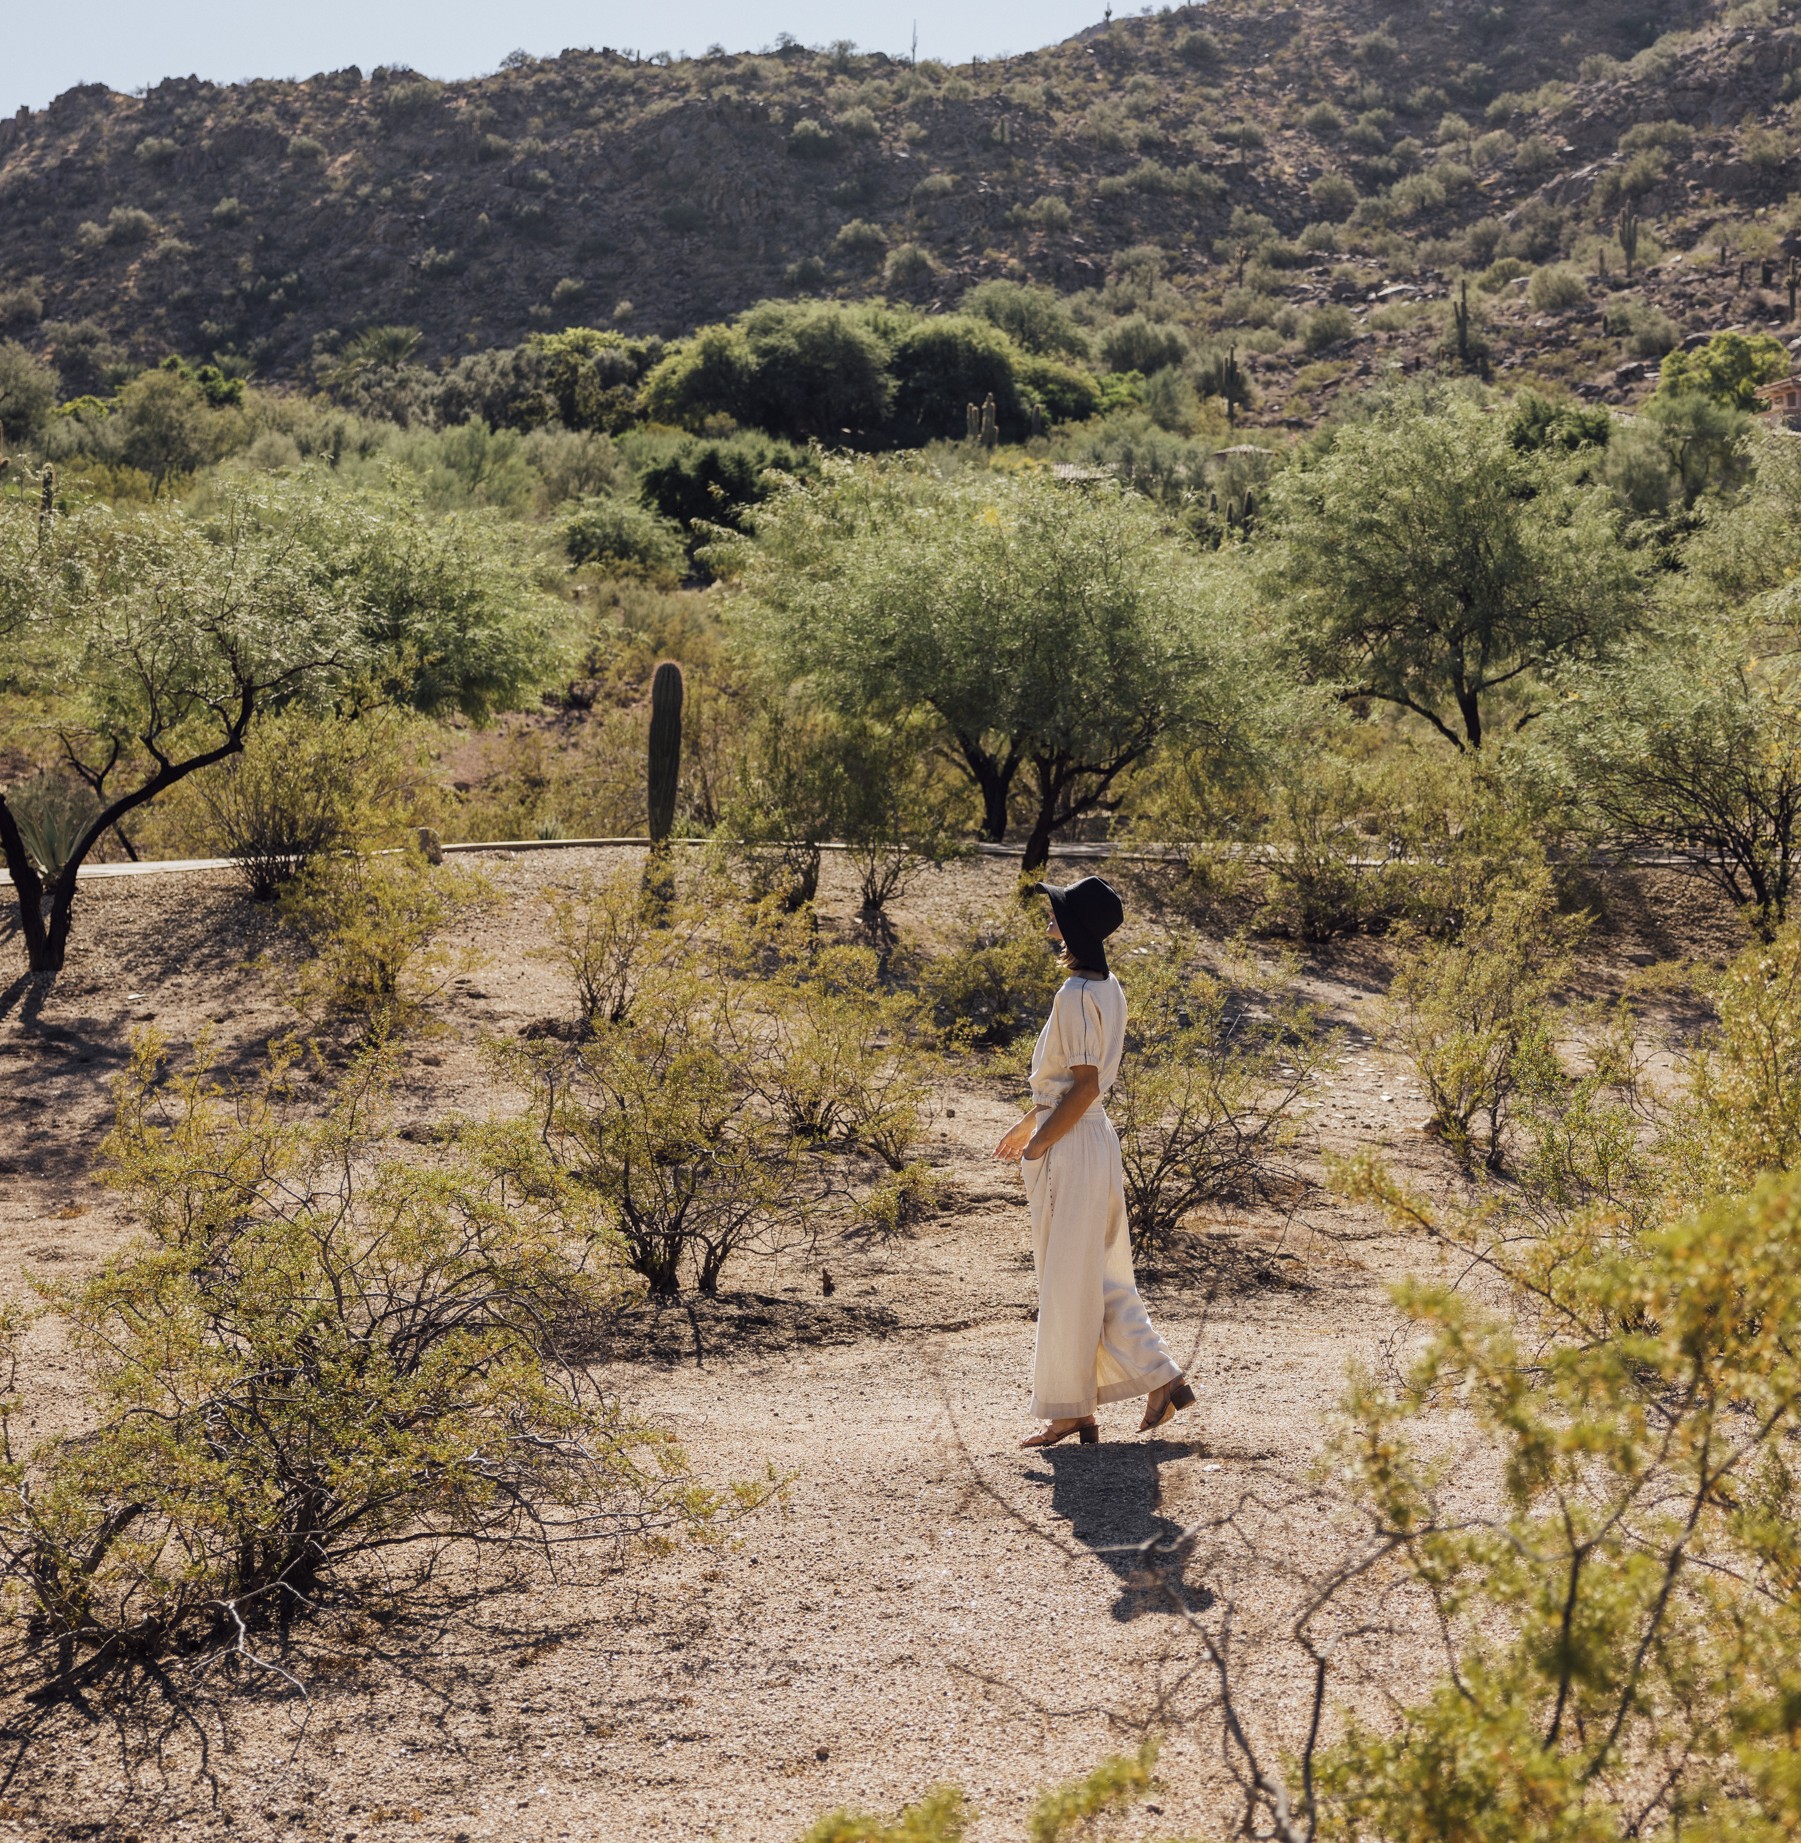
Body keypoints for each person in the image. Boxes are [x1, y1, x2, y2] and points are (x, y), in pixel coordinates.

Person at [993, 876, 1195, 1448]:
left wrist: (1039, 1144)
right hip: (1096, 1139)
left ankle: (1070, 1410)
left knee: (1066, 1281)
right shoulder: (1108, 988)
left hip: (1075, 1144)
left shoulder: (1075, 996)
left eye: (1057, 917)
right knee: (1100, 1275)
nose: (1051, 925)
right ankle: (1160, 1379)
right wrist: (1029, 1122)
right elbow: (1077, 1088)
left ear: (1076, 928)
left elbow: (1080, 1087)